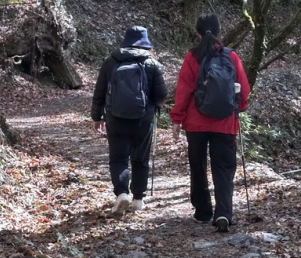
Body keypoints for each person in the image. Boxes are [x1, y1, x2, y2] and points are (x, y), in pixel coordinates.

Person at [170, 13, 251, 232]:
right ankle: (223, 212)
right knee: (223, 168)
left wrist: (177, 119)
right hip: (225, 123)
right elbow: (243, 89)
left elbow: (184, 91)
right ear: (219, 33)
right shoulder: (231, 56)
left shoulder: (192, 57)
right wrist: (238, 108)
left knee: (198, 166)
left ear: (197, 33)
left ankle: (203, 211)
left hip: (196, 124)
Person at [91, 26, 168, 214]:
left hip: (115, 117)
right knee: (140, 159)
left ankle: (121, 194)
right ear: (145, 43)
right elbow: (162, 95)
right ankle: (138, 200)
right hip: (143, 119)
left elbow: (99, 91)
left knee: (118, 158)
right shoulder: (152, 64)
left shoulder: (111, 61)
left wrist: (97, 116)